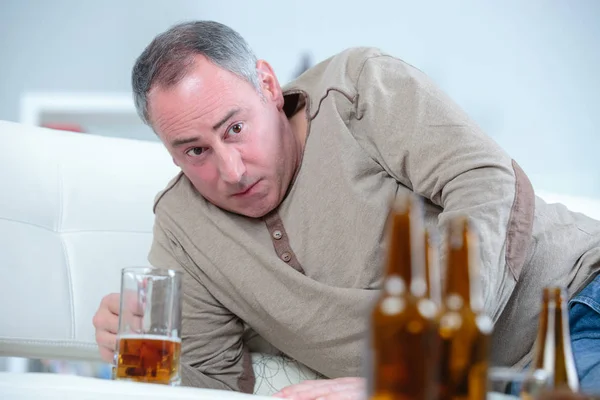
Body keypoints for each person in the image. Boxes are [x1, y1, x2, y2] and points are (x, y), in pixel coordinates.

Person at [92, 20, 600, 399]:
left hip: (577, 305)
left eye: (235, 129)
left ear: (268, 86)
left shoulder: (357, 89)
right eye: (194, 151)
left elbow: (487, 183)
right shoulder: (184, 230)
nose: (232, 171)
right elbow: (210, 385)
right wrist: (138, 358)